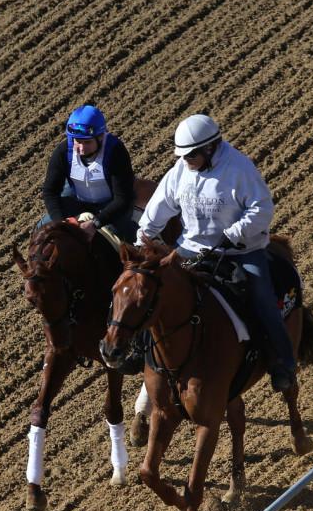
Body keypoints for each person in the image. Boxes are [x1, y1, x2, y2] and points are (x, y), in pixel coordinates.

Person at [136, 113, 296, 392]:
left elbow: (262, 209)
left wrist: (234, 234)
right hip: (191, 250)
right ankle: (139, 351)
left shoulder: (239, 169)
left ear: (209, 148)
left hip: (242, 252)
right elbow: (160, 204)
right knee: (154, 292)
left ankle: (283, 363)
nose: (185, 161)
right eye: (183, 156)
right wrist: (143, 236)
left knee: (262, 298)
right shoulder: (181, 170)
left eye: (190, 156)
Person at [38, 105, 138, 243]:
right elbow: (50, 191)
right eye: (78, 142)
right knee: (43, 228)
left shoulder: (116, 152)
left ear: (101, 137)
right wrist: (60, 223)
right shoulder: (62, 152)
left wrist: (96, 223)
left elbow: (123, 199)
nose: (82, 148)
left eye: (87, 142)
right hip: (78, 200)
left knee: (127, 239)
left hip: (111, 205)